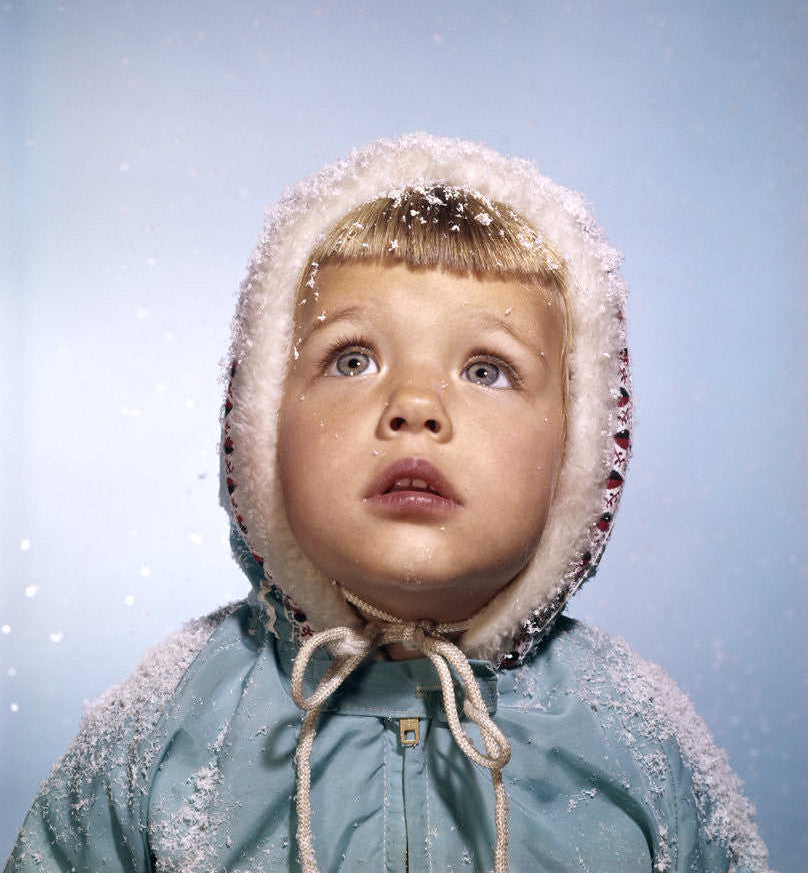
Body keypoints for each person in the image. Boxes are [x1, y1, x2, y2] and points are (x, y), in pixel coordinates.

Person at [5, 134, 770, 873]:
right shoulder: (163, 722)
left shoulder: (637, 738)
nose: (414, 406)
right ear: (260, 422)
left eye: (487, 370)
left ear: (580, 453)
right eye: (352, 358)